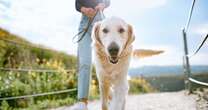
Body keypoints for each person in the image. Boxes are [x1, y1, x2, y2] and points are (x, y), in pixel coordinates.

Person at [71, 0, 110, 110]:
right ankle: (83, 103)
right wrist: (84, 10)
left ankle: (110, 97)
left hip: (100, 22)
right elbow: (77, 4)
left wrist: (102, 5)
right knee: (84, 62)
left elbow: (108, 1)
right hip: (84, 24)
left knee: (106, 62)